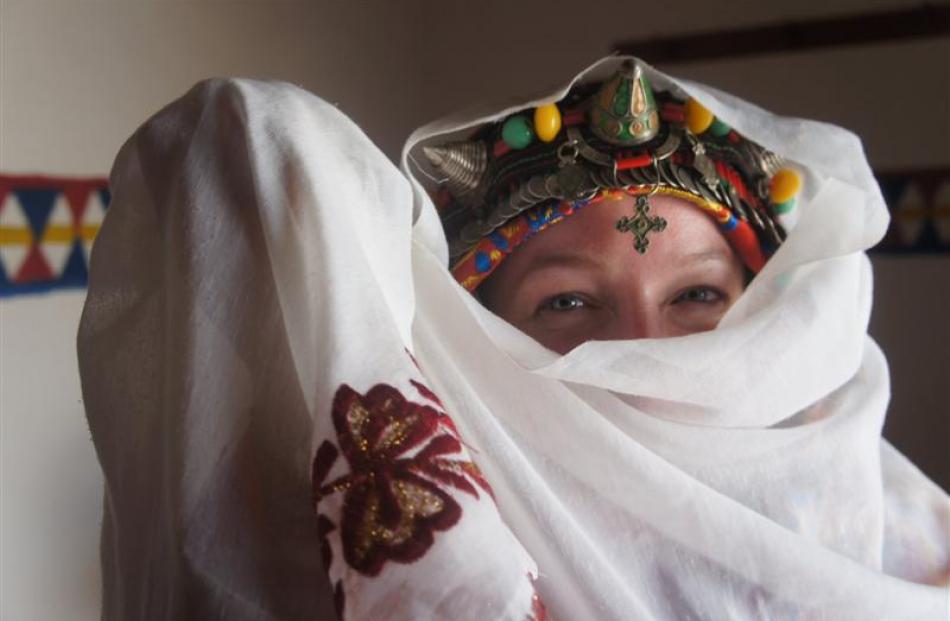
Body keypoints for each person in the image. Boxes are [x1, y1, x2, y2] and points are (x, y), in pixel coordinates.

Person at [78, 56, 949, 620]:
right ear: (483, 333)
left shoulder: (879, 505)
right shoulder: (455, 517)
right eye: (567, 303)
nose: (644, 346)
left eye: (696, 294)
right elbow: (251, 138)